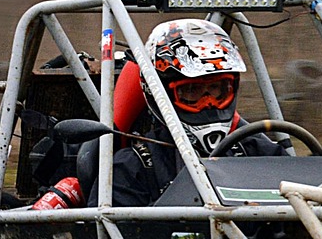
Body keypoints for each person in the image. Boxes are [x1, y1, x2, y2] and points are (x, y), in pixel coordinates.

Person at [88, 18, 284, 207]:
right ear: (161, 94)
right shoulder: (133, 168)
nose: (208, 103)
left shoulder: (260, 152)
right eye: (192, 91)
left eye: (217, 89)